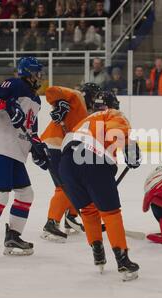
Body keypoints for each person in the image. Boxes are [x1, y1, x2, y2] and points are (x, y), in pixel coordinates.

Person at [59, 90, 142, 281]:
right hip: (92, 159)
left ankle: (98, 253)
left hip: (66, 163)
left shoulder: (86, 119)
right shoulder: (113, 114)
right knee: (111, 212)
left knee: (88, 210)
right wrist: (131, 151)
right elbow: (119, 131)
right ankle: (123, 261)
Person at [0, 57, 46, 262]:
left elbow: (31, 129)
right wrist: (8, 105)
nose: (40, 76)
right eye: (37, 72)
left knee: (26, 194)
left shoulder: (36, 100)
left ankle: (13, 237)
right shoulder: (14, 84)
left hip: (15, 151)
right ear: (28, 73)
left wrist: (38, 146)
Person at [40, 82, 101, 242]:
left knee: (76, 183)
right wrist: (60, 104)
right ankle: (51, 224)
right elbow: (52, 90)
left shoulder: (88, 115)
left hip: (65, 147)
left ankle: (71, 216)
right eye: (94, 97)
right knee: (64, 186)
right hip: (54, 145)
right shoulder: (77, 98)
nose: (96, 101)